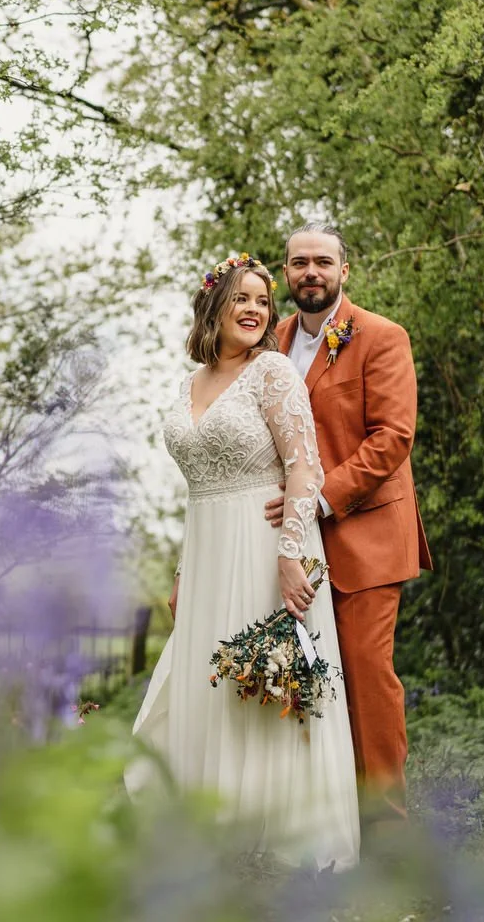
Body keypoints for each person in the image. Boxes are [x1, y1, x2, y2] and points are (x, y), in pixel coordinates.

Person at [126, 252, 360, 871]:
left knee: (267, 681)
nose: (255, 309)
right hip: (207, 551)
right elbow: (193, 487)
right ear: (214, 308)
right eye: (242, 299)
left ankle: (283, 838)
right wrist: (181, 572)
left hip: (267, 545)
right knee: (206, 680)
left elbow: (304, 466)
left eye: (263, 299)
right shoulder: (189, 384)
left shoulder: (274, 372)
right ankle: (213, 824)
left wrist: (292, 555)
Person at [263, 222, 432, 830]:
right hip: (289, 546)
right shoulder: (270, 342)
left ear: (344, 270)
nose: (311, 272)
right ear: (285, 272)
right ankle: (318, 816)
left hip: (363, 535)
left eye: (323, 262)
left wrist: (316, 501)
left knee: (366, 675)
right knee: (298, 674)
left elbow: (393, 439)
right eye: (299, 262)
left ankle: (387, 824)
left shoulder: (382, 337)